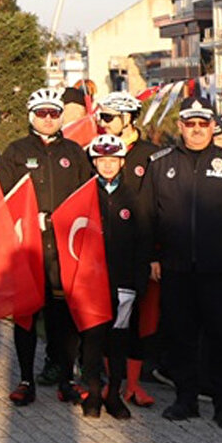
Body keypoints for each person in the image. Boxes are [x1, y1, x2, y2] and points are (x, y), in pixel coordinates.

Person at [0, 88, 91, 407]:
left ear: (60, 116)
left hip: (64, 250)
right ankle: (24, 379)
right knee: (25, 315)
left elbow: (87, 195)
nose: (48, 119)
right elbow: (0, 197)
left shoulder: (75, 152)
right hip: (29, 248)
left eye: (53, 113)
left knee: (63, 315)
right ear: (31, 115)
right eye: (41, 113)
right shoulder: (16, 151)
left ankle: (66, 377)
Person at [149, 97, 222, 430]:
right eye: (190, 124)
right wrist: (153, 256)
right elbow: (150, 214)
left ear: (213, 126)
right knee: (181, 335)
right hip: (176, 266)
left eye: (203, 124)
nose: (197, 130)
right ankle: (185, 399)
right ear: (181, 126)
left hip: (221, 268)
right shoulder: (162, 163)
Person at [78, 134, 153, 420]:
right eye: (101, 160)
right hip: (91, 282)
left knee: (118, 341)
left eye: (113, 160)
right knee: (93, 340)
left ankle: (114, 395)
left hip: (124, 283)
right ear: (94, 162)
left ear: (121, 162)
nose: (107, 166)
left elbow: (144, 241)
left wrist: (138, 281)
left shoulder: (134, 198)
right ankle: (93, 393)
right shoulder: (84, 195)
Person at [94, 90, 160, 406]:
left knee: (136, 318)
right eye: (100, 117)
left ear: (128, 119)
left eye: (107, 117)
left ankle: (133, 384)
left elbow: (161, 208)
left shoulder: (153, 154)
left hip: (139, 251)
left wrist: (155, 256)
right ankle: (110, 382)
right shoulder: (95, 151)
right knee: (105, 319)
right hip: (103, 254)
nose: (102, 123)